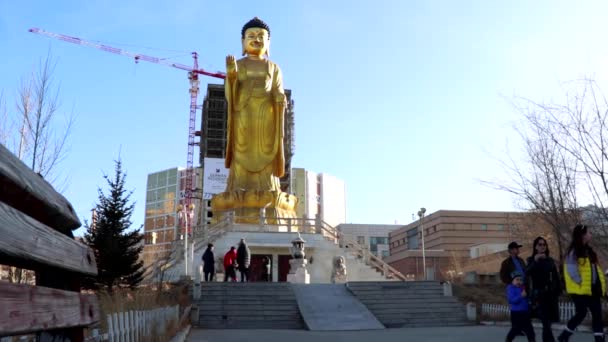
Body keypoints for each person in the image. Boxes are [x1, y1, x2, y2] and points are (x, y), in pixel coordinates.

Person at [558, 225, 606, 342]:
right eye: (589, 233)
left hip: (593, 289)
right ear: (582, 235)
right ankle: (564, 335)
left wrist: (601, 283)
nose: (591, 234)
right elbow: (570, 269)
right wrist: (580, 282)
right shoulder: (574, 251)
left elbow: (594, 269)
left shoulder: (589, 251)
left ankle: (599, 339)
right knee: (581, 313)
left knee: (597, 315)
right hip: (580, 290)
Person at [526, 236, 561, 342]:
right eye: (540, 244)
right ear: (535, 247)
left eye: (544, 244)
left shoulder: (550, 260)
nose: (542, 246)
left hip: (550, 295)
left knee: (548, 323)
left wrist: (557, 291)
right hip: (538, 295)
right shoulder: (531, 259)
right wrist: (535, 261)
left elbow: (556, 277)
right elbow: (527, 273)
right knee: (546, 322)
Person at [506, 271, 537, 342]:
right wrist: (521, 296)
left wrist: (531, 301)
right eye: (517, 280)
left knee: (530, 331)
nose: (519, 281)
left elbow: (527, 298)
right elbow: (512, 300)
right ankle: (508, 339)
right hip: (516, 313)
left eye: (520, 280)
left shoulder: (523, 288)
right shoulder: (510, 288)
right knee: (515, 329)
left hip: (525, 312)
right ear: (512, 281)